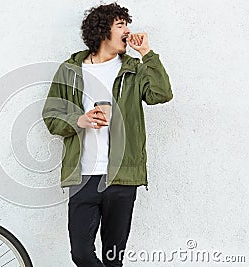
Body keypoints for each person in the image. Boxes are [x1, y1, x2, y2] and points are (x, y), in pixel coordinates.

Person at [42, 2, 173, 266]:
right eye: (121, 25)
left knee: (113, 258)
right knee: (80, 253)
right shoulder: (70, 70)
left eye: (127, 24)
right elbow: (51, 115)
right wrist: (79, 120)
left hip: (122, 177)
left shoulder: (134, 69)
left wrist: (147, 53)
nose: (128, 30)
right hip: (83, 176)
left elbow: (162, 94)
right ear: (103, 31)